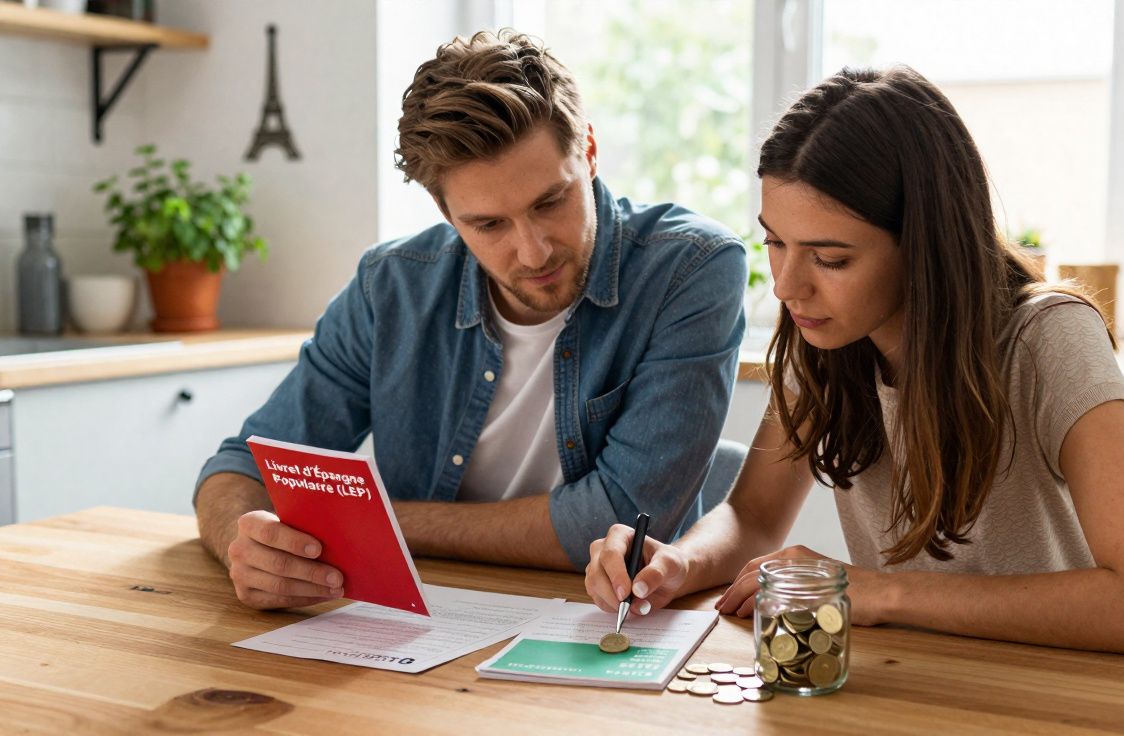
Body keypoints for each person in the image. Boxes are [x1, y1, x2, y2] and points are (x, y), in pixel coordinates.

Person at [583, 67, 1124, 658]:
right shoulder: (826, 340)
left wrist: (885, 593)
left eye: (830, 259)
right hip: (916, 679)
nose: (787, 286)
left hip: (1061, 688)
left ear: (924, 245)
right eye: (775, 241)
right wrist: (677, 562)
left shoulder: (1047, 340)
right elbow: (753, 516)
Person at [194, 30, 747, 611]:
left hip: (612, 621)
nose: (533, 251)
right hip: (425, 621)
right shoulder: (392, 287)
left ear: (587, 150)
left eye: (550, 202)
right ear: (444, 210)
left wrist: (379, 522)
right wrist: (246, 545)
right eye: (489, 224)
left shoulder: (691, 269)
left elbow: (621, 514)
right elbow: (240, 466)